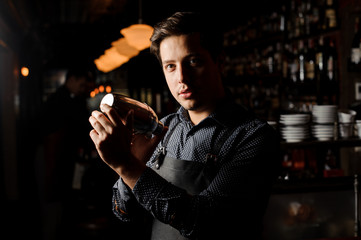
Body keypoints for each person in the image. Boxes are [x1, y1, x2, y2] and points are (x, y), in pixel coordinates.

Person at [89, 12, 280, 240]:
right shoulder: (164, 128)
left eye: (193, 61)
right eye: (170, 66)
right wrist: (131, 167)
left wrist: (127, 166)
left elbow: (203, 222)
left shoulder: (252, 136)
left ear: (219, 62)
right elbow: (123, 212)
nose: (182, 78)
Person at [40, 67, 95, 239]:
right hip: (53, 162)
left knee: (61, 210)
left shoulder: (72, 99)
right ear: (71, 79)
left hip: (63, 163)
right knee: (53, 211)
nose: (84, 88)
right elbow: (51, 141)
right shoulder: (60, 101)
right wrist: (49, 176)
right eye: (82, 84)